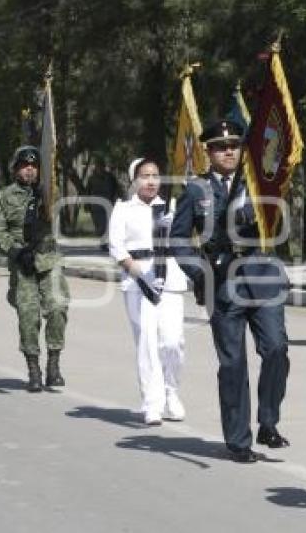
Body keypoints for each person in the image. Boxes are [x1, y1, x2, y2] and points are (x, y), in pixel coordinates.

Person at [170, 119, 289, 463]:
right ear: (208, 152)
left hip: (263, 273)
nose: (229, 152)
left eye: (235, 146)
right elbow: (178, 238)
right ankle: (238, 439)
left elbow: (280, 217)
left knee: (277, 349)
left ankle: (268, 420)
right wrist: (199, 271)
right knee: (233, 362)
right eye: (221, 147)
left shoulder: (259, 183)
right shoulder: (196, 190)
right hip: (224, 281)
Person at [109, 158, 187, 425]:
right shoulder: (123, 209)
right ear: (135, 180)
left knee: (173, 342)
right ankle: (152, 403)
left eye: (155, 175)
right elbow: (117, 247)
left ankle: (171, 391)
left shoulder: (172, 208)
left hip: (171, 279)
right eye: (144, 176)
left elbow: (186, 240)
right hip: (138, 280)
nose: (151, 181)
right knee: (147, 343)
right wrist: (138, 273)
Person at [0, 146, 70, 392]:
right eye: (25, 166)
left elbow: (56, 199)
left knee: (57, 309)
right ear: (16, 169)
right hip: (22, 264)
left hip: (49, 260)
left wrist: (44, 189)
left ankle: (54, 366)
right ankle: (33, 369)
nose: (29, 169)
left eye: (34, 166)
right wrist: (15, 252)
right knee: (28, 317)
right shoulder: (4, 197)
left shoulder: (48, 191)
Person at [86, 159, 120, 250]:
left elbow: (116, 189)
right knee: (99, 225)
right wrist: (87, 205)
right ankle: (103, 241)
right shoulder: (92, 179)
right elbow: (87, 192)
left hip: (108, 203)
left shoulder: (110, 177)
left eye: (101, 166)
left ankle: (105, 243)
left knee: (107, 224)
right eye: (97, 166)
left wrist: (116, 201)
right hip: (96, 205)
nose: (99, 168)